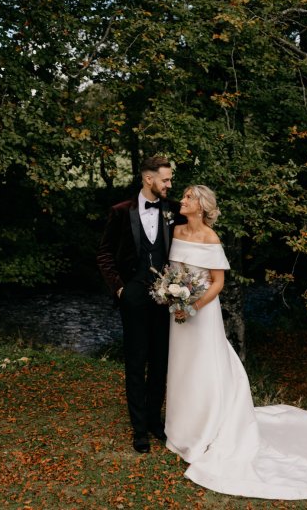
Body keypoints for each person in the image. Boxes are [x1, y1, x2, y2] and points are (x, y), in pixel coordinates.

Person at [165, 184, 307, 499]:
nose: (183, 200)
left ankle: (206, 430)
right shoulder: (176, 230)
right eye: (185, 196)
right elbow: (173, 273)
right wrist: (173, 298)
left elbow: (217, 283)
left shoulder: (211, 238)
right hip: (178, 313)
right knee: (181, 367)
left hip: (201, 313)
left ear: (202, 206)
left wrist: (192, 306)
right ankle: (179, 431)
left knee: (203, 366)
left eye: (189, 197)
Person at [97, 156, 184, 454]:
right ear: (149, 179)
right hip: (132, 295)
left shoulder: (173, 210)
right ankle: (139, 430)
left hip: (166, 296)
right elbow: (105, 254)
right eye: (166, 180)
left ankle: (154, 422)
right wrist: (120, 289)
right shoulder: (121, 212)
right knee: (136, 362)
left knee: (160, 361)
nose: (170, 185)